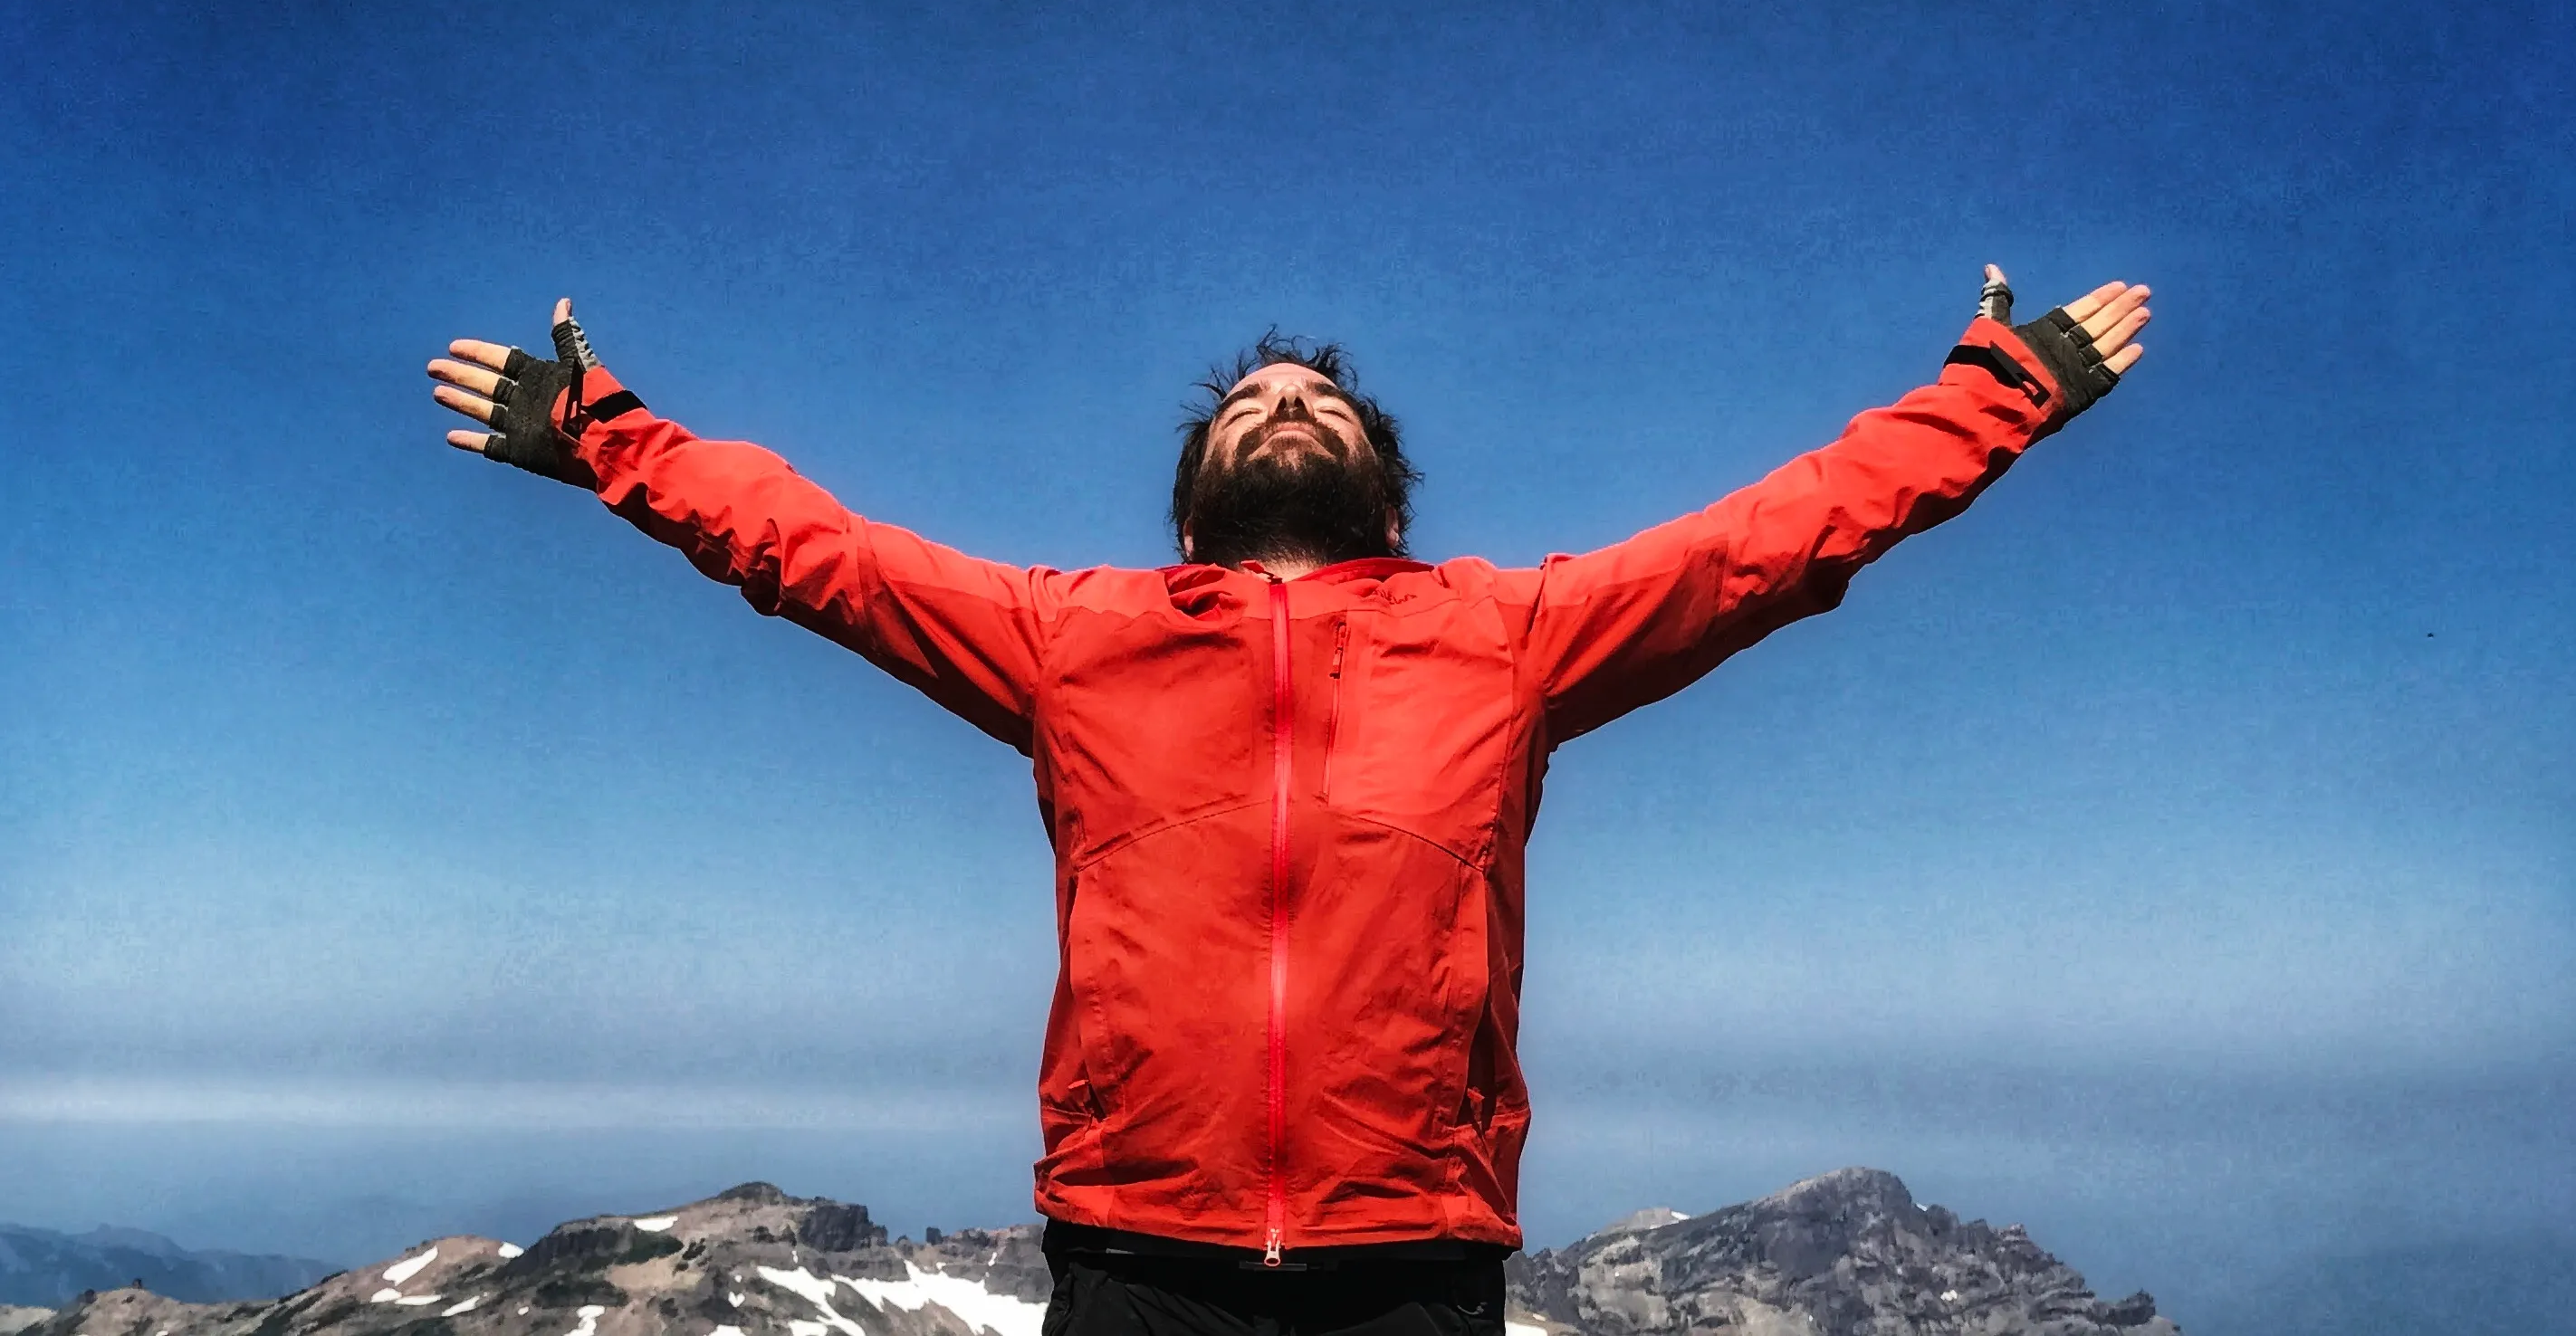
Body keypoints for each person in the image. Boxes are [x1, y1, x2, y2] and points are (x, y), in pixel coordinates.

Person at [426, 266, 2150, 1336]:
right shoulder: (1066, 638)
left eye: (1317, 398)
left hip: (1411, 1257)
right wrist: (607, 435)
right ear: (1189, 515)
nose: (1286, 403)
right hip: (1133, 1256)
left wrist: (1997, 392)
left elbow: (1775, 537)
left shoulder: (1513, 634)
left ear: (1386, 499)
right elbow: (814, 547)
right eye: (1255, 400)